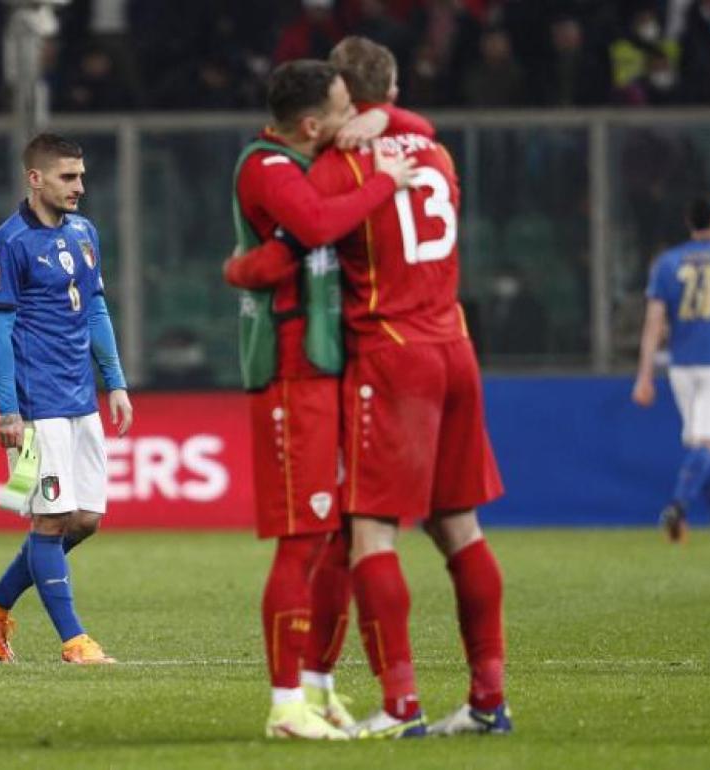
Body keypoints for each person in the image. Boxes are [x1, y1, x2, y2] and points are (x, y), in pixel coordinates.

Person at [239, 36, 510, 738]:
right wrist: (401, 123)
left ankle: (401, 705)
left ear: (343, 105)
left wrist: (239, 271)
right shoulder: (439, 153)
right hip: (456, 346)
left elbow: (306, 235)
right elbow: (418, 137)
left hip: (393, 354)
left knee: (370, 538)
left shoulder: (341, 163)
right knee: (461, 529)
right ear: (388, 94)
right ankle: (488, 701)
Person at [222, 59, 418, 740]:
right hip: (287, 375)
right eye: (341, 110)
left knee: (333, 538)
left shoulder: (313, 152)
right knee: (302, 539)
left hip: (329, 367)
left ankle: (317, 688)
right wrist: (387, 182)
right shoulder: (267, 166)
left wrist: (378, 121)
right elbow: (312, 226)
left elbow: (281, 255)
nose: (350, 119)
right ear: (310, 125)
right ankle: (284, 709)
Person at [0, 133, 133, 665]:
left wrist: (117, 382)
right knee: (49, 520)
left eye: (80, 176)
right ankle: (73, 640)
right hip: (37, 409)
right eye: (67, 177)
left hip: (82, 399)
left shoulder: (85, 233)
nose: (79, 187)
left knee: (84, 519)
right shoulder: (6, 244)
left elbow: (97, 312)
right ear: (35, 179)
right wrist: (8, 410)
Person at [632, 197, 710, 544]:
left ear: (688, 221)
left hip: (681, 367)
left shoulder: (667, 264)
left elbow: (653, 323)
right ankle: (677, 506)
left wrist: (645, 374)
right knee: (708, 444)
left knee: (700, 442)